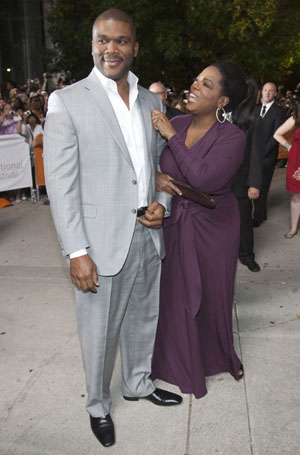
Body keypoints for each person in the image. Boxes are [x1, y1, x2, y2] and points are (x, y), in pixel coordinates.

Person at [44, 8, 181, 449]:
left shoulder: (151, 101)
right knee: (99, 331)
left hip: (147, 233)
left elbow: (160, 166)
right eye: (103, 40)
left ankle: (138, 383)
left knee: (144, 319)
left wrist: (162, 205)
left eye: (121, 41)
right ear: (92, 45)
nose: (111, 49)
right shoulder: (67, 101)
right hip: (99, 243)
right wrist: (76, 251)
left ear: (134, 47)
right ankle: (98, 405)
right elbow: (61, 185)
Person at [151, 62, 252, 399]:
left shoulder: (233, 137)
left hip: (214, 229)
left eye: (207, 85)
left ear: (222, 101)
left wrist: (170, 136)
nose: (195, 86)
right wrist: (156, 180)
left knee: (209, 295)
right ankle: (172, 360)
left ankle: (213, 355)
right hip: (174, 221)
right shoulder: (177, 121)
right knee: (174, 294)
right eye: (196, 79)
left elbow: (205, 178)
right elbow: (156, 167)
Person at [231, 80, 265, 272]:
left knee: (244, 220)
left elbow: (256, 155)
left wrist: (254, 184)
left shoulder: (254, 119)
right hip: (221, 179)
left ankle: (246, 255)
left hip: (242, 181)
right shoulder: (223, 114)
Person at [252, 82, 286, 227]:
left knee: (262, 185)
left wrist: (263, 151)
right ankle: (261, 212)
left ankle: (258, 216)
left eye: (271, 91)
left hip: (267, 155)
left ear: (275, 93)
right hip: (254, 154)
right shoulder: (256, 109)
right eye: (265, 90)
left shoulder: (279, 111)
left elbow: (276, 136)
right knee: (254, 183)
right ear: (261, 92)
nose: (267, 93)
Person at [274, 102, 300, 238]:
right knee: (296, 196)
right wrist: (289, 147)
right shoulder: (295, 118)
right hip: (296, 160)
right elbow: (277, 134)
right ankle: (293, 228)